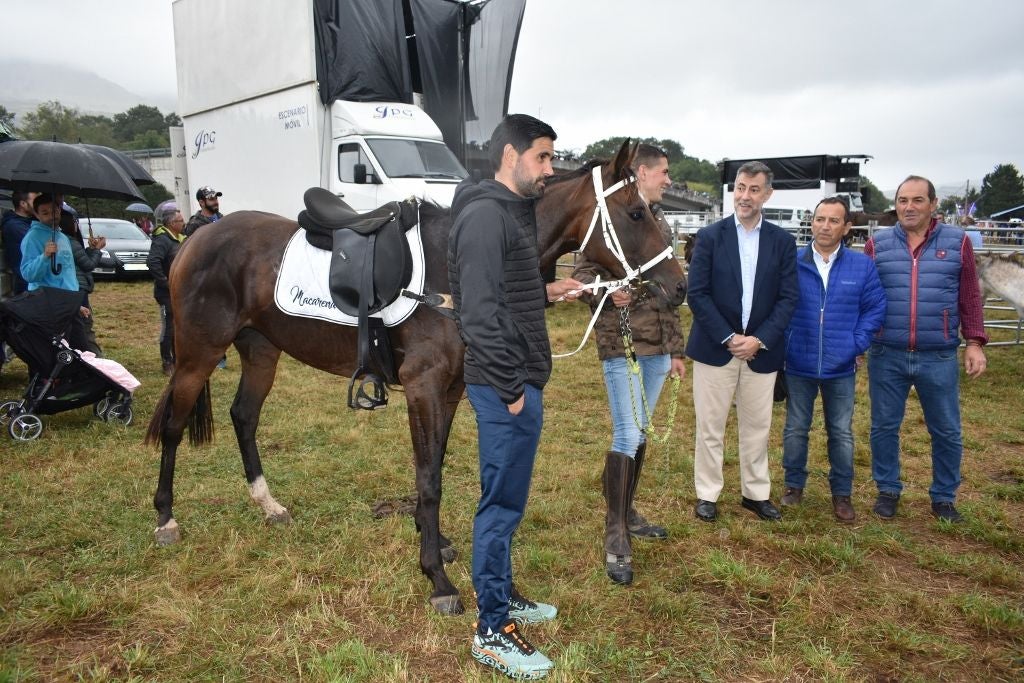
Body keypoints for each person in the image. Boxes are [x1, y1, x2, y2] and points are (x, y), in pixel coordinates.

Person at [448, 114, 582, 680]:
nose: (550, 169)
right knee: (499, 505)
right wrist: (510, 390)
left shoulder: (511, 212)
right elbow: (477, 315)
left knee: (509, 502)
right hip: (506, 387)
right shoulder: (484, 216)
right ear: (510, 155)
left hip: (521, 380)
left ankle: (500, 591)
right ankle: (492, 630)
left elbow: (506, 295)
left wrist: (547, 291)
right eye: (543, 158)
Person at [571, 144, 686, 585]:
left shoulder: (659, 221)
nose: (669, 181)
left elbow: (671, 299)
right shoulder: (614, 219)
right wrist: (602, 293)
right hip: (622, 341)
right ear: (641, 172)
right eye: (664, 173)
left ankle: (626, 507)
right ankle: (616, 531)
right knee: (628, 430)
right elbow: (582, 275)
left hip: (657, 347)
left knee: (640, 431)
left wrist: (676, 350)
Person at [864, 176, 988, 523]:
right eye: (903, 200)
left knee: (946, 428)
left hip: (939, 353)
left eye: (917, 200)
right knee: (884, 426)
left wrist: (975, 341)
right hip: (887, 351)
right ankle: (888, 489)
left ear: (933, 204)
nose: (909, 207)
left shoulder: (957, 240)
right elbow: (865, 297)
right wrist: (858, 341)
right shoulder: (878, 244)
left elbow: (969, 295)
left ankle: (944, 497)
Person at [685, 161, 798, 523]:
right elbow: (697, 294)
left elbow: (788, 298)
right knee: (710, 425)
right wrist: (730, 336)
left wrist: (759, 339)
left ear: (767, 194)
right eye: (740, 187)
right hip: (715, 348)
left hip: (761, 353)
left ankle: (755, 493)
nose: (744, 196)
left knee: (757, 427)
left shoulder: (782, 242)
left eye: (753, 189)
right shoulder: (710, 237)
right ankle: (707, 493)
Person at [780, 197, 887, 522]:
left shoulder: (862, 266)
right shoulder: (793, 263)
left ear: (846, 227)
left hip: (841, 366)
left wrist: (856, 343)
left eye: (833, 220)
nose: (825, 226)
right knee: (796, 428)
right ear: (811, 223)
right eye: (820, 219)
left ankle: (842, 494)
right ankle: (793, 485)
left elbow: (875, 307)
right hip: (799, 361)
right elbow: (778, 305)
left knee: (840, 431)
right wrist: (788, 343)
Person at [59, 210, 106, 356]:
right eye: (75, 222)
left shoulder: (64, 240)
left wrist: (91, 249)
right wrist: (98, 249)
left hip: (75, 287)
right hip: (78, 288)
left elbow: (80, 259)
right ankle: (92, 357)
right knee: (85, 325)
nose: (76, 225)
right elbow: (88, 265)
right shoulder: (70, 241)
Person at [147, 208, 187, 375]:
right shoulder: (162, 240)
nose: (183, 223)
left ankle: (179, 360)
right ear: (172, 224)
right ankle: (167, 362)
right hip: (166, 293)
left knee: (179, 327)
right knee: (169, 327)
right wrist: (166, 282)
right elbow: (152, 261)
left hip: (181, 292)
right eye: (180, 221)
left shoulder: (181, 239)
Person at [2, 190, 39, 295]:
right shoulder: (14, 226)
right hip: (26, 284)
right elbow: (38, 242)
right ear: (23, 204)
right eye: (35, 201)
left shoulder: (29, 222)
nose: (38, 204)